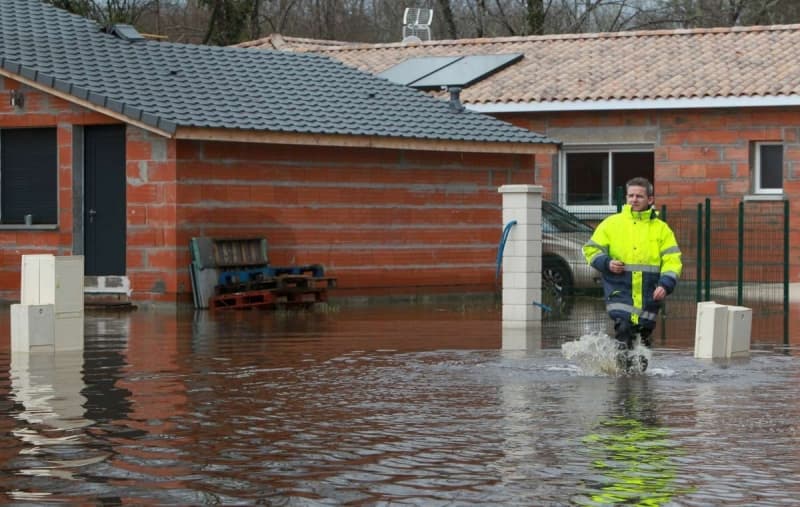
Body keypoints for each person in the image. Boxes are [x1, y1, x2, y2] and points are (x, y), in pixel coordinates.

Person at [582, 177, 682, 371]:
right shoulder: (612, 224)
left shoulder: (662, 229)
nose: (634, 200)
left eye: (639, 196)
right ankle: (623, 377)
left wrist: (665, 284)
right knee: (624, 329)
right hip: (620, 290)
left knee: (643, 337)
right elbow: (590, 250)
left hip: (649, 294)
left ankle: (638, 378)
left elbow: (672, 260)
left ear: (650, 199)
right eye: (631, 196)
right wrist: (607, 263)